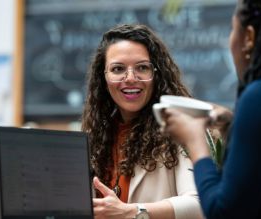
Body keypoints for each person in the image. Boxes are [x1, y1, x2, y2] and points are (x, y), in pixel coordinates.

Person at [163, 0, 261, 218]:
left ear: (249, 37)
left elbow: (224, 211)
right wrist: (233, 128)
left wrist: (194, 139)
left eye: (232, 29)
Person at [81, 24, 204, 219]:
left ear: (157, 74)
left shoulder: (180, 127)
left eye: (142, 68)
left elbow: (200, 204)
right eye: (118, 69)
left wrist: (132, 212)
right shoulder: (98, 133)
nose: (130, 78)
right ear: (103, 78)